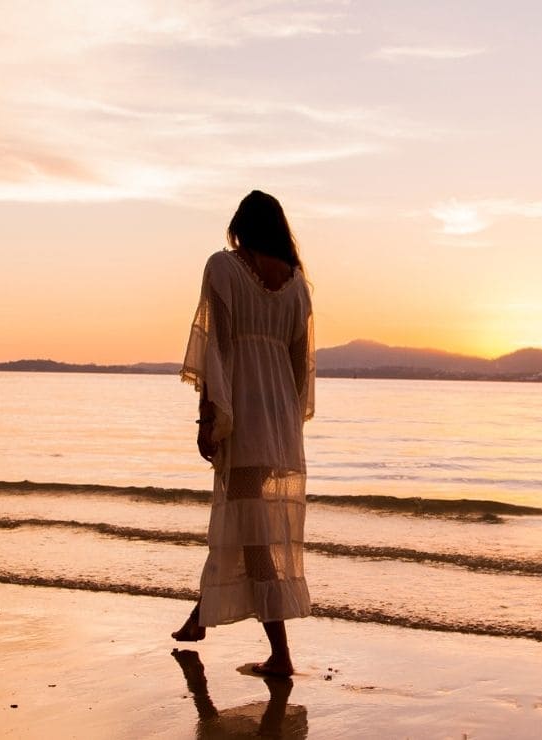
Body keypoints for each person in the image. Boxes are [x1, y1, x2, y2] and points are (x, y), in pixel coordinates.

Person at [173, 190, 315, 678]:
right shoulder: (298, 287)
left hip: (246, 416)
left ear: (240, 225)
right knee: (242, 526)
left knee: (252, 536)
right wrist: (287, 423)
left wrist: (209, 417)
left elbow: (217, 350)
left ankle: (280, 653)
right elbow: (300, 372)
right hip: (279, 423)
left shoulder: (223, 268)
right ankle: (199, 617)